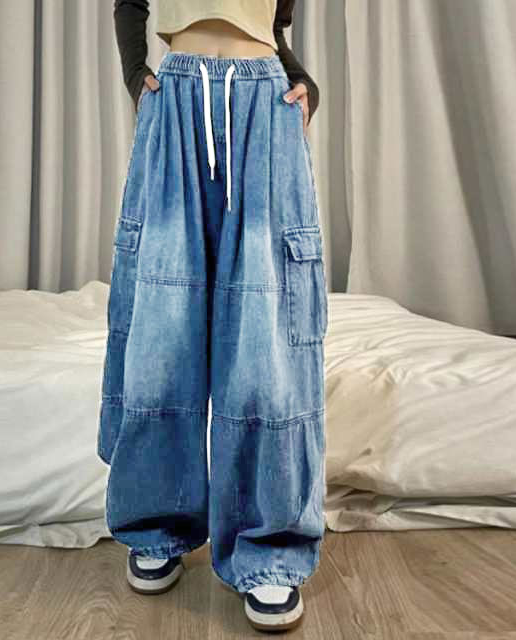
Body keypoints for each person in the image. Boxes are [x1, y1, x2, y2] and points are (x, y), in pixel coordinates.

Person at [99, 0, 328, 632]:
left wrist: (303, 81)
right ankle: (157, 523)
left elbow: (271, 26)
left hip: (265, 102)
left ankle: (271, 547)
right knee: (162, 323)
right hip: (176, 97)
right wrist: (135, 74)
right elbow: (130, 3)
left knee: (264, 334)